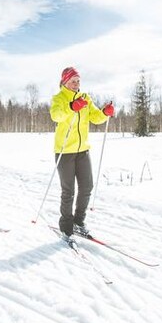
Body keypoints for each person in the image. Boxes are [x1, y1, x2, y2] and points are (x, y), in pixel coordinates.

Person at [50, 67, 114, 241]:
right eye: (72, 81)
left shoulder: (85, 98)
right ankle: (66, 227)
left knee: (87, 187)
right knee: (68, 191)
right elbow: (56, 116)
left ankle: (79, 221)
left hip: (83, 150)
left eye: (78, 80)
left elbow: (95, 117)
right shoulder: (59, 98)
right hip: (65, 151)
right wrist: (72, 107)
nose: (76, 84)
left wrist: (104, 113)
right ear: (64, 82)